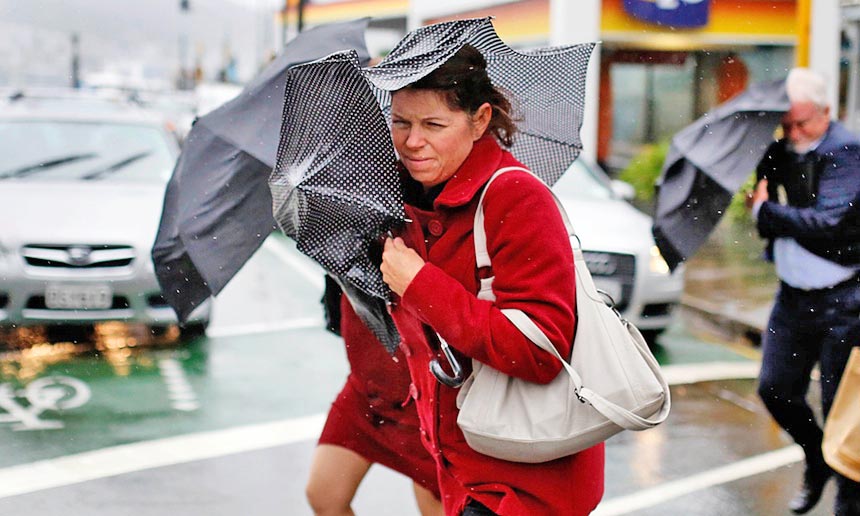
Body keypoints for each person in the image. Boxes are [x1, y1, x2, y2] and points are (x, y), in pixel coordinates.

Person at [379, 45, 605, 516]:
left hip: (523, 484)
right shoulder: (404, 202)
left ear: (480, 120)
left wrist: (419, 283)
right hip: (462, 469)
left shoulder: (516, 197)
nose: (411, 142)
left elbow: (540, 349)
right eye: (401, 122)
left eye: (433, 125)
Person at [750, 67, 860, 516]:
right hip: (793, 298)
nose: (794, 133)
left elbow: (831, 222)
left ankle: (848, 506)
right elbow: (765, 193)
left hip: (845, 301)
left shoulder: (847, 151)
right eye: (787, 124)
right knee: (775, 389)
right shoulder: (781, 149)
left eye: (803, 123)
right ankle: (817, 461)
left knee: (844, 415)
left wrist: (765, 213)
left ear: (826, 112)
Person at [305, 276, 443, 516]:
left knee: (437, 506)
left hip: (422, 399)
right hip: (366, 390)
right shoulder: (337, 242)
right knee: (324, 495)